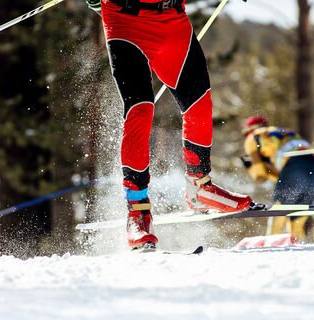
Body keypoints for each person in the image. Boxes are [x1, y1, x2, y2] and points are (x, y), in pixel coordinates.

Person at [85, 0, 253, 249]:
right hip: (125, 21)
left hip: (172, 21)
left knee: (199, 104)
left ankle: (200, 187)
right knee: (140, 111)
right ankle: (138, 212)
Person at [241, 116, 314, 240]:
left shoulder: (253, 138)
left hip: (293, 167)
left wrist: (250, 166)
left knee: (278, 212)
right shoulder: (283, 132)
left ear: (249, 130)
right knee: (298, 218)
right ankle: (299, 244)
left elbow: (260, 177)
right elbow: (284, 177)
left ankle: (271, 245)